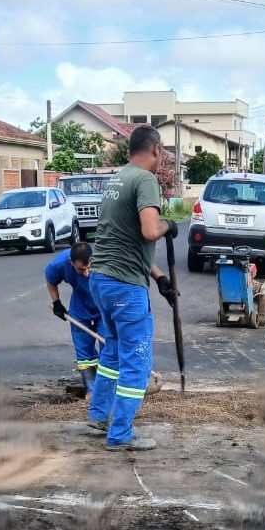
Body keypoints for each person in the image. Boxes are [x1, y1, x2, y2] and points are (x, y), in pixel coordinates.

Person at [86, 125, 177, 451]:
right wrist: (169, 226)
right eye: (162, 154)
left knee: (112, 351)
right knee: (136, 360)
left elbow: (123, 240)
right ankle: (120, 433)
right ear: (155, 150)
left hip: (102, 279)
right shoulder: (145, 180)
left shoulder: (118, 178)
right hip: (124, 287)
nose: (161, 160)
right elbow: (150, 230)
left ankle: (98, 416)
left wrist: (158, 276)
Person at [46, 241, 107, 394]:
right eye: (81, 269)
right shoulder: (58, 264)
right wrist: (56, 303)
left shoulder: (104, 259)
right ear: (71, 262)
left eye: (88, 268)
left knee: (109, 346)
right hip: (80, 307)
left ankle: (108, 388)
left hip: (104, 306)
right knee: (84, 351)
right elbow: (50, 280)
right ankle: (92, 391)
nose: (86, 273)